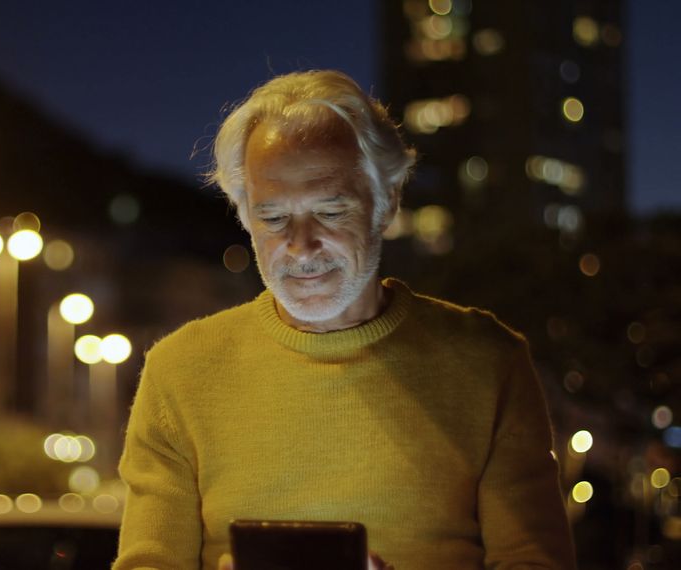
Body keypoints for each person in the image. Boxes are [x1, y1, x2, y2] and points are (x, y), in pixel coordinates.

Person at [112, 70, 576, 570]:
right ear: (244, 216)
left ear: (387, 202)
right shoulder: (181, 372)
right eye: (273, 218)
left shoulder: (490, 365)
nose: (300, 245)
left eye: (330, 212)